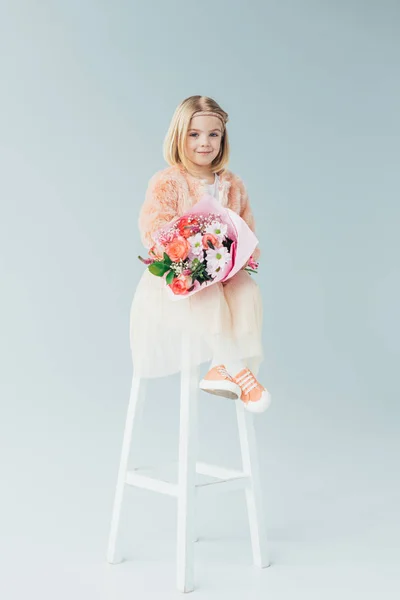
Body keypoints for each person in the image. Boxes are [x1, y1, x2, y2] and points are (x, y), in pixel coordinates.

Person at [130, 95, 271, 413]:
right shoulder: (168, 182)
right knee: (205, 290)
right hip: (178, 281)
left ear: (223, 138)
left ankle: (221, 365)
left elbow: (246, 231)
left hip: (222, 273)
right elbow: (154, 229)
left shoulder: (233, 185)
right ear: (179, 136)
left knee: (247, 289)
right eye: (194, 134)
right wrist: (189, 255)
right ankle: (238, 370)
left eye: (213, 134)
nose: (204, 143)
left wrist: (237, 259)